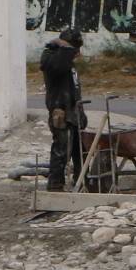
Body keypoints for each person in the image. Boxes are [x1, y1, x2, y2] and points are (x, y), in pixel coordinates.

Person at [41, 27, 86, 192]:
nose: (77, 53)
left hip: (72, 112)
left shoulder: (69, 63)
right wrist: (64, 47)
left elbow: (74, 89)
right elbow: (59, 66)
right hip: (60, 111)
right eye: (75, 49)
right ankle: (55, 185)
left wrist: (80, 112)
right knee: (62, 150)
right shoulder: (52, 59)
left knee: (79, 150)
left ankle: (81, 182)